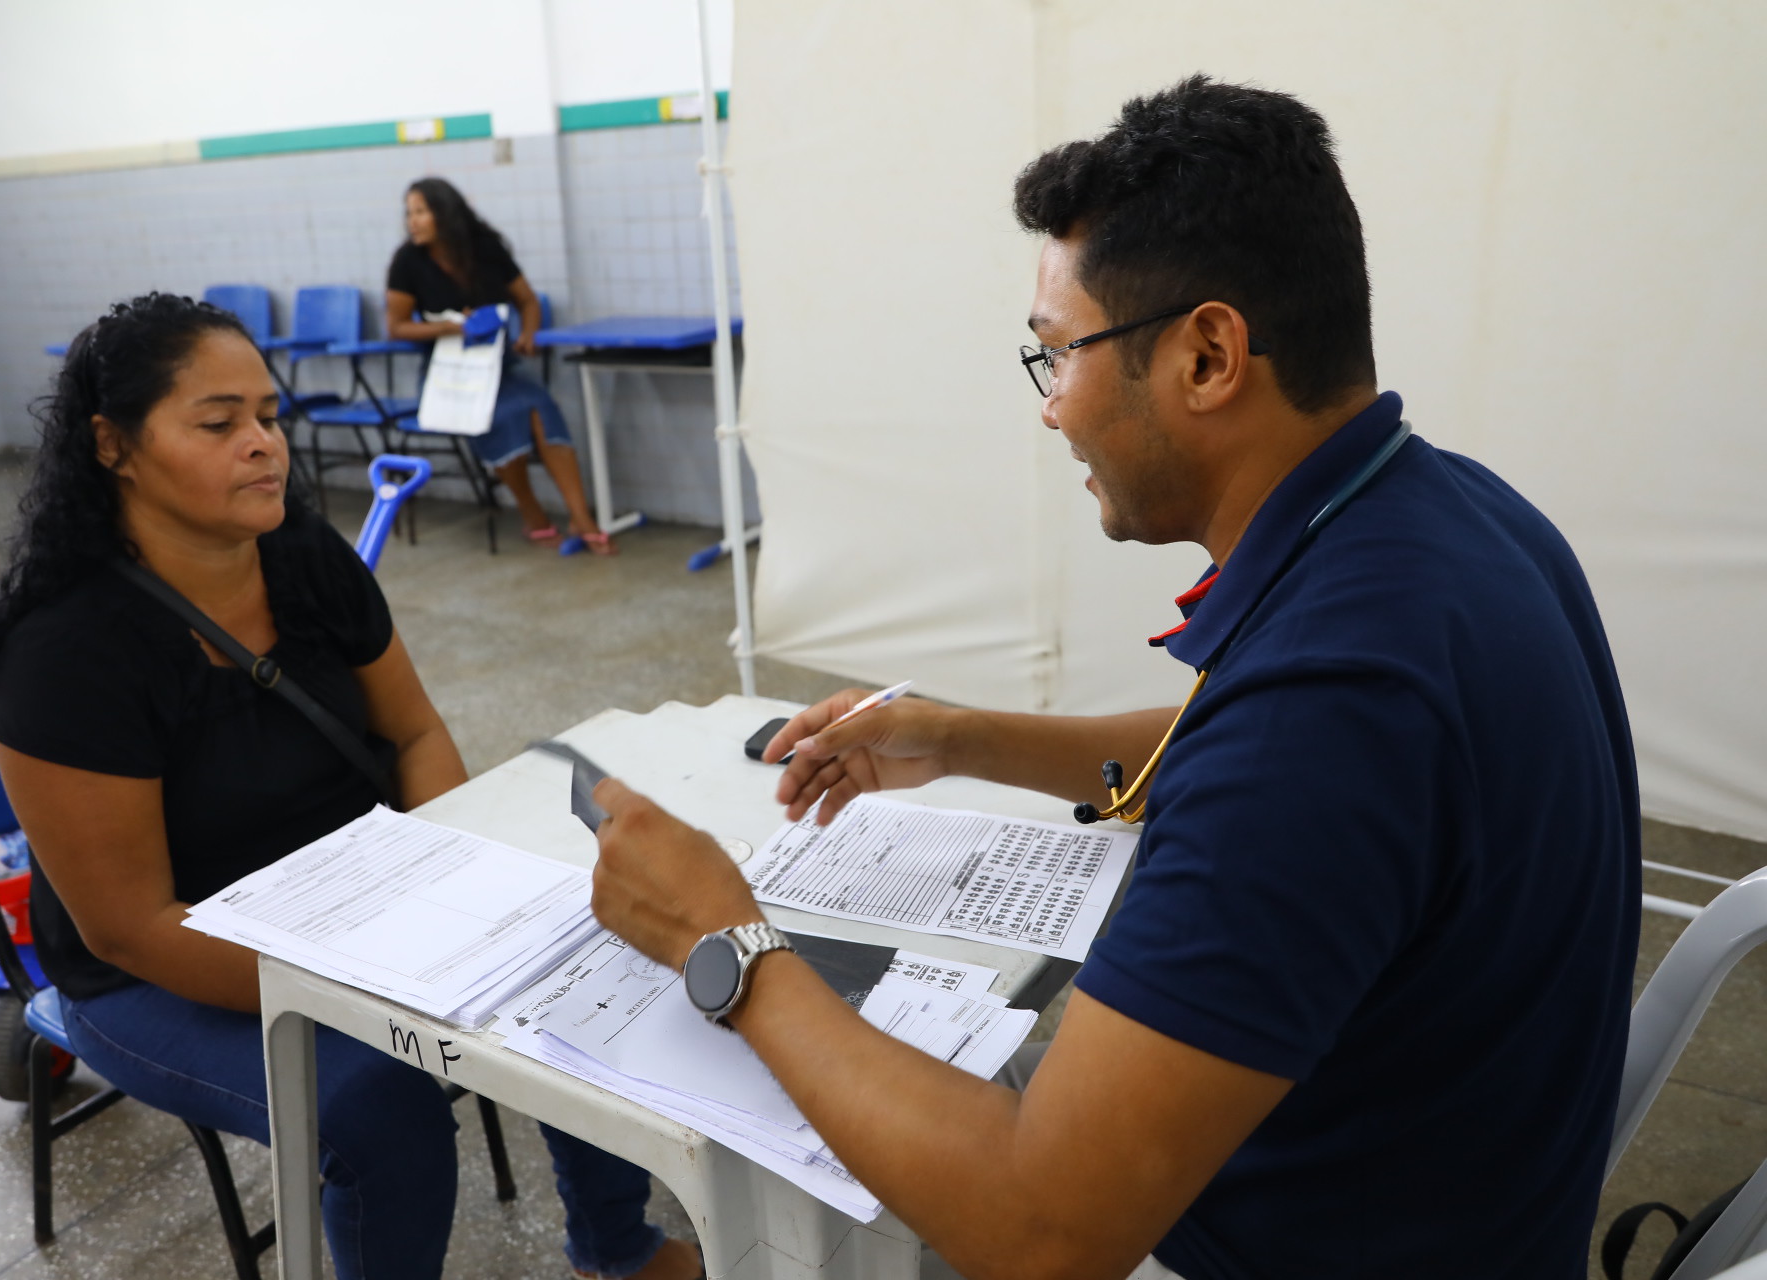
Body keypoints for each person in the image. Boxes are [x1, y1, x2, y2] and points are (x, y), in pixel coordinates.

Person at [585, 76, 1639, 1280]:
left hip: (1269, 1241)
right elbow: (1241, 748)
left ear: (1206, 354)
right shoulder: (1442, 518)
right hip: (1447, 1185)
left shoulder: (1337, 704)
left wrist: (724, 941)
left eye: (1058, 354)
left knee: (839, 1209)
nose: (1054, 412)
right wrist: (962, 735)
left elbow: (1046, 1232)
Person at [0, 293, 696, 1280]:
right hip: (160, 968)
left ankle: (617, 1244)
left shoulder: (302, 555)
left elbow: (415, 730)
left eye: (269, 416)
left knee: (572, 961)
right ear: (112, 443)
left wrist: (457, 885)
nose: (264, 445)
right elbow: (128, 925)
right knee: (374, 1105)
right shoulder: (64, 653)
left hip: (363, 902)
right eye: (219, 423)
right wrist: (369, 983)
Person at [386, 176, 614, 553]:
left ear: (445, 214)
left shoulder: (486, 248)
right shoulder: (407, 260)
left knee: (542, 409)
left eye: (421, 212)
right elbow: (395, 327)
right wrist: (451, 327)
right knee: (503, 418)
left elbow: (528, 301)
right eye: (409, 213)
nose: (412, 221)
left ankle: (581, 518)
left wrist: (528, 334)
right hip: (447, 376)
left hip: (498, 368)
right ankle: (532, 514)